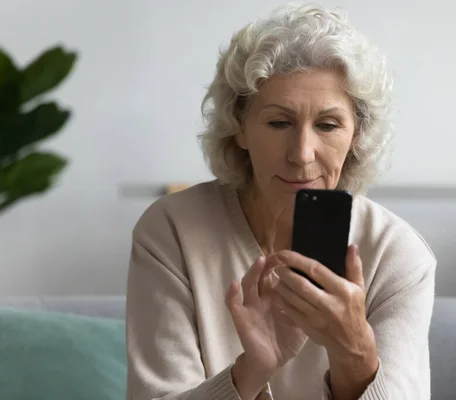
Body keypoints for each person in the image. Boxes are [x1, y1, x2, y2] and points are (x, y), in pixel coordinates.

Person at [126, 3, 437, 400]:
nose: (302, 153)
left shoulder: (398, 256)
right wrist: (251, 370)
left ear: (356, 136)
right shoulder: (171, 232)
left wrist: (354, 352)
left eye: (327, 125)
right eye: (278, 122)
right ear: (239, 128)